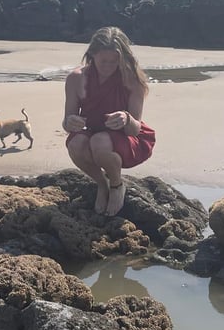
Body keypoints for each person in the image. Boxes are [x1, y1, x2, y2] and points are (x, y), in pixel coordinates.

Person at [62, 26, 155, 216]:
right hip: (92, 131)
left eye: (114, 61)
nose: (108, 66)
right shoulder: (76, 78)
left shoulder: (132, 80)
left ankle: (116, 185)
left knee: (100, 141)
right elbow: (66, 122)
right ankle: (102, 184)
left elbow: (135, 129)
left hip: (126, 138)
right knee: (76, 143)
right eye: (103, 61)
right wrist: (70, 121)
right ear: (92, 55)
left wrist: (126, 118)